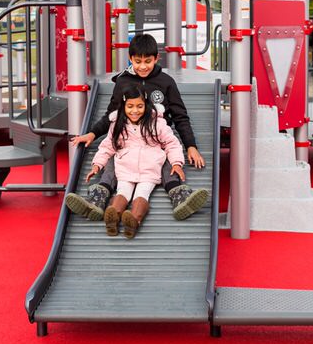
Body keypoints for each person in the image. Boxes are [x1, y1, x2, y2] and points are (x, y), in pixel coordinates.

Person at [66, 33, 209, 222]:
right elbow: (112, 114)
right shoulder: (124, 82)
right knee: (115, 159)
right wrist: (92, 133)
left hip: (157, 134)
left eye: (148, 61)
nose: (143, 66)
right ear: (130, 58)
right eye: (138, 61)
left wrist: (191, 145)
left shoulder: (166, 82)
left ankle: (180, 196)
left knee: (167, 160)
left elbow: (180, 116)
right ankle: (97, 200)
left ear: (156, 58)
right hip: (127, 134)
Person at [87, 85, 185, 238]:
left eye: (139, 106)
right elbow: (107, 146)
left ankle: (133, 219)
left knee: (142, 194)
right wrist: (97, 165)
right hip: (125, 167)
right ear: (124, 106)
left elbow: (172, 144)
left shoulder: (157, 123)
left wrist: (177, 163)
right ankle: (113, 216)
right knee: (123, 192)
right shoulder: (117, 124)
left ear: (146, 105)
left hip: (149, 168)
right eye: (130, 106)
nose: (135, 110)